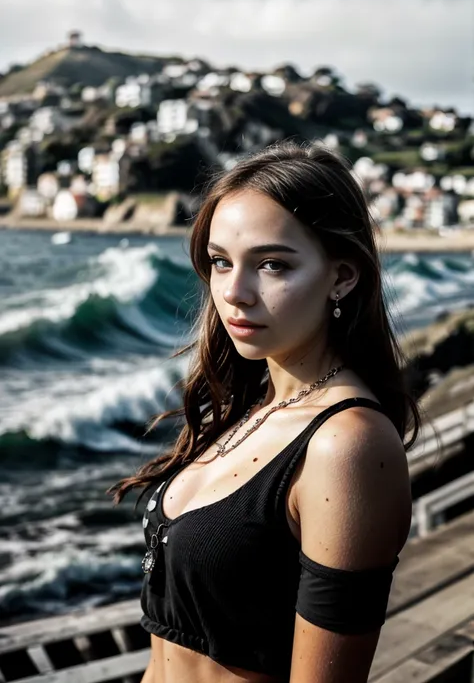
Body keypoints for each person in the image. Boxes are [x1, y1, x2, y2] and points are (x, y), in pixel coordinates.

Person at [108, 141, 419, 683]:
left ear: (342, 276)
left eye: (272, 264)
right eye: (221, 262)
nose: (234, 293)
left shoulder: (347, 445)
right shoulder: (257, 408)